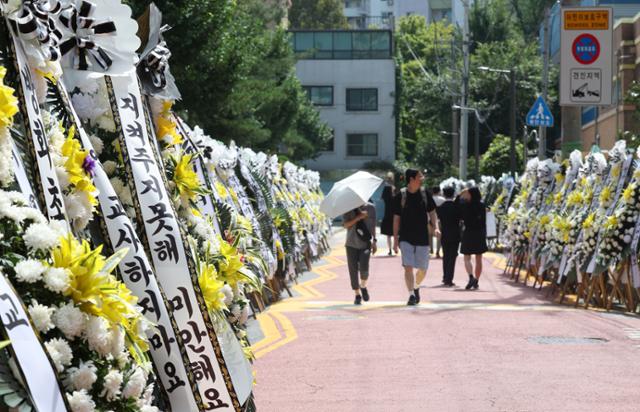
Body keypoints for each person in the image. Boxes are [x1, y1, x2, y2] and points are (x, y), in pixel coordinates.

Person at [393, 169, 440, 305]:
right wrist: (395, 240)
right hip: (405, 237)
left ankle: (416, 286)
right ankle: (411, 295)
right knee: (408, 266)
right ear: (412, 179)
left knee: (423, 269)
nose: (422, 178)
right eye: (420, 176)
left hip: (422, 237)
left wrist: (436, 227)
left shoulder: (425, 194)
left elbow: (432, 212)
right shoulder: (401, 196)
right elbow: (396, 219)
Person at [343, 202, 377, 304]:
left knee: (364, 269)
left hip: (365, 244)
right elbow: (345, 225)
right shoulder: (348, 208)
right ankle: (357, 294)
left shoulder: (371, 208)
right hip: (351, 244)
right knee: (353, 270)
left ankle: (363, 286)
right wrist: (359, 217)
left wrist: (374, 241)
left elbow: (373, 226)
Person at [459, 187, 488, 290]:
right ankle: (476, 280)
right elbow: (484, 221)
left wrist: (461, 193)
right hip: (479, 233)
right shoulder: (482, 205)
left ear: (471, 194)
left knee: (467, 257)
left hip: (468, 232)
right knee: (478, 258)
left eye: (468, 193)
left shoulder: (465, 205)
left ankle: (471, 277)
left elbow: (456, 202)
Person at [436, 186, 461, 287]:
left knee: (446, 256)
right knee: (452, 256)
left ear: (444, 194)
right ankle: (448, 279)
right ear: (453, 193)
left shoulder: (441, 207)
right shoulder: (457, 207)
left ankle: (445, 276)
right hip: (455, 233)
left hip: (444, 233)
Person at [380, 172, 396, 256]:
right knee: (396, 232)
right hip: (395, 213)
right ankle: (395, 247)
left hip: (387, 213)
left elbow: (382, 198)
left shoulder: (386, 188)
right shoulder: (394, 188)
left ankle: (390, 249)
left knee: (388, 234)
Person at [431, 186, 445, 259]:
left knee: (429, 236)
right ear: (439, 191)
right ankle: (437, 252)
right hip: (439, 219)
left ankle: (430, 250)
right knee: (439, 237)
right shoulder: (443, 200)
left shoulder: (429, 199)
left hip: (429, 219)